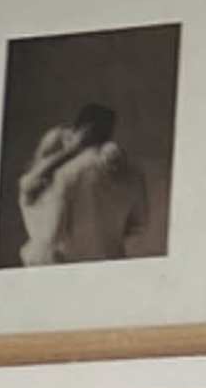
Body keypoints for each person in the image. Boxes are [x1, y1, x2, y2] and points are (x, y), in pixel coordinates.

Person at [13, 97, 151, 264]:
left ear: (80, 131)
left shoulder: (65, 174)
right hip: (112, 263)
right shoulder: (134, 173)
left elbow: (51, 236)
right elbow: (139, 224)